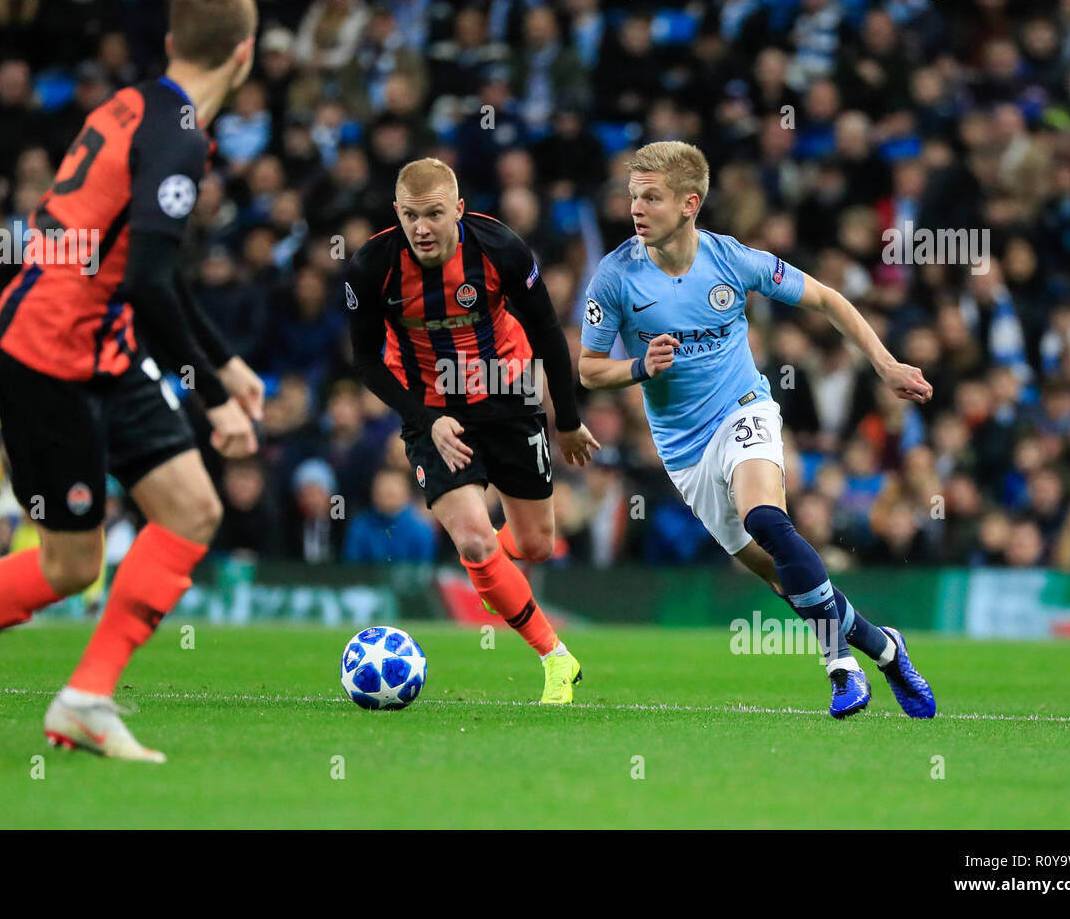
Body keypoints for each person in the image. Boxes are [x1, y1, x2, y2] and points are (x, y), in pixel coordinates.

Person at [0, 0, 265, 762]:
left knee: (190, 508)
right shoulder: (180, 138)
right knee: (70, 563)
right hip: (46, 356)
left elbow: (149, 263)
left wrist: (226, 358)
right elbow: (149, 280)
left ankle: (85, 698)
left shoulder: (133, 105)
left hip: (100, 344)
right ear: (245, 56)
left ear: (172, 43)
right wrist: (212, 399)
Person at [578, 141, 936, 719]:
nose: (636, 209)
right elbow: (589, 369)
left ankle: (840, 667)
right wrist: (639, 367)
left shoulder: (731, 260)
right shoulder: (616, 276)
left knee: (766, 518)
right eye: (633, 197)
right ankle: (886, 648)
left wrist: (886, 363)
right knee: (781, 577)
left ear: (690, 203)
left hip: (744, 408)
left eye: (652, 198)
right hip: (684, 450)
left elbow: (825, 299)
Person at [345, 158, 600, 703]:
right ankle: (555, 656)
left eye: (435, 214)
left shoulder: (500, 249)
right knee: (476, 541)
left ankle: (495, 578)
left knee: (535, 544)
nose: (423, 228)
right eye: (411, 215)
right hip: (432, 413)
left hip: (508, 397)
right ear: (397, 213)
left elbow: (549, 333)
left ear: (458, 210)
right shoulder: (371, 268)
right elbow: (366, 363)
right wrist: (426, 420)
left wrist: (571, 420)